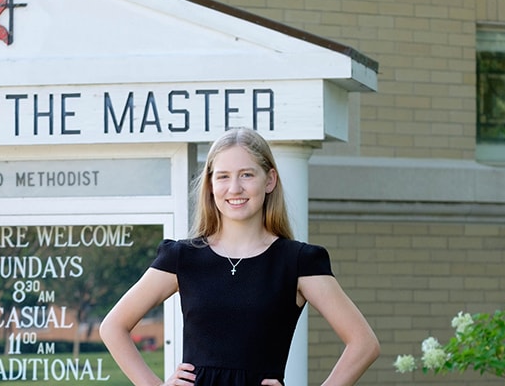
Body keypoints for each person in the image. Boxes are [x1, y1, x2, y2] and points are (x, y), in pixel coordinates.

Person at [100, 127, 380, 386]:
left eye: (247, 174)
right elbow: (113, 327)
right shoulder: (181, 257)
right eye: (223, 176)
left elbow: (364, 344)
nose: (234, 188)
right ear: (210, 184)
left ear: (269, 180)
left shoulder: (299, 262)